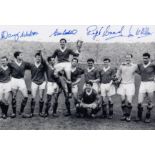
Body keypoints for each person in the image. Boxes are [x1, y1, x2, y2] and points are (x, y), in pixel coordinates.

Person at [8, 51, 31, 118]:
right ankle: (14, 113)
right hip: (14, 80)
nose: (22, 56)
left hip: (21, 80)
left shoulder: (25, 63)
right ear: (17, 56)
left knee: (26, 96)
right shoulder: (11, 64)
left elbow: (33, 67)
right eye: (21, 55)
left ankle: (21, 111)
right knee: (13, 97)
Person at [117, 54, 138, 122]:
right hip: (122, 85)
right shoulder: (121, 65)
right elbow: (118, 74)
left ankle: (128, 115)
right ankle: (124, 114)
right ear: (125, 58)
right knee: (123, 101)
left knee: (129, 102)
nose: (128, 59)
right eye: (127, 58)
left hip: (130, 85)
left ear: (131, 58)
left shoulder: (135, 66)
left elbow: (141, 72)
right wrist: (117, 79)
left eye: (129, 58)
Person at [135, 52, 155, 123]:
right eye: (143, 58)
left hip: (150, 84)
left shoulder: (153, 65)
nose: (144, 59)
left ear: (149, 58)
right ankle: (139, 116)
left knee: (149, 101)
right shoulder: (140, 65)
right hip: (142, 83)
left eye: (146, 58)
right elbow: (136, 69)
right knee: (139, 101)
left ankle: (148, 116)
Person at [29, 51, 46, 117]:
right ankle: (32, 112)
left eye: (39, 58)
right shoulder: (31, 65)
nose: (38, 59)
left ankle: (40, 112)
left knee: (41, 98)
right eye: (37, 57)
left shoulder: (43, 65)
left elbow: (44, 61)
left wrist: (41, 55)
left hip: (42, 82)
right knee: (33, 98)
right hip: (34, 82)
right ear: (34, 58)